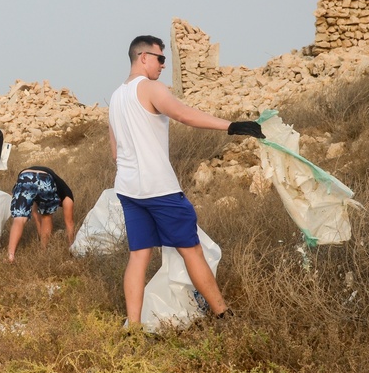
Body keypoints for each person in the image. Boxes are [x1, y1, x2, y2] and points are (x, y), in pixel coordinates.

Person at [109, 35, 265, 324]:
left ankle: (132, 328)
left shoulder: (116, 97)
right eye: (160, 59)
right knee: (191, 251)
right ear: (143, 57)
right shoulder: (150, 87)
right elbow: (183, 115)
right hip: (160, 189)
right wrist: (232, 126)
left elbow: (115, 152)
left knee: (138, 257)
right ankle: (223, 314)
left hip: (129, 190)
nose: (163, 66)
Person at [6, 166, 75, 263]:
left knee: (19, 218)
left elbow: (36, 214)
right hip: (45, 179)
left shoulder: (60, 189)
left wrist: (40, 237)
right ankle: (44, 251)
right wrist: (71, 246)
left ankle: (11, 256)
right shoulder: (67, 196)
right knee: (46, 216)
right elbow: (69, 223)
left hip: (26, 176)